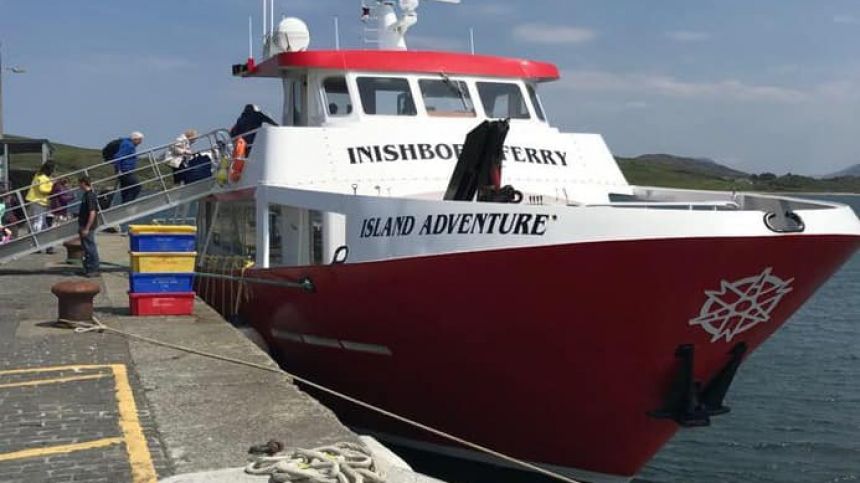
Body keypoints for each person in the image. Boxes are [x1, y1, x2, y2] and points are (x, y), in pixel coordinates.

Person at [77, 175, 100, 277]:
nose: (78, 186)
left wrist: (87, 228)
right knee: (86, 248)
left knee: (90, 248)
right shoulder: (86, 195)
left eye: (79, 183)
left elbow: (92, 212)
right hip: (83, 224)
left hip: (87, 226)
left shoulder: (90, 196)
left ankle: (93, 269)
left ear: (83, 183)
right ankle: (88, 268)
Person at [112, 131, 144, 203]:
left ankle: (125, 204)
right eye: (140, 140)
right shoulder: (129, 145)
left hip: (125, 170)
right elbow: (118, 156)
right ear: (135, 139)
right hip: (125, 171)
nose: (140, 142)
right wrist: (119, 169)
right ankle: (127, 204)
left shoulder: (127, 143)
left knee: (126, 190)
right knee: (136, 187)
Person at [25, 161, 55, 235]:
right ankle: (36, 238)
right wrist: (52, 187)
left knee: (34, 220)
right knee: (38, 221)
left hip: (33, 199)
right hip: (39, 201)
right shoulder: (43, 178)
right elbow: (42, 189)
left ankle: (32, 235)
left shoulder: (38, 175)